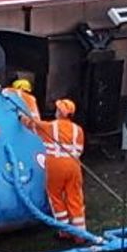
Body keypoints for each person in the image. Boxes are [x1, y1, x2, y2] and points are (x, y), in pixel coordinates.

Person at [29, 98, 86, 236]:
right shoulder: (78, 130)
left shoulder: (50, 127)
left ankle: (64, 230)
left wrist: (20, 116)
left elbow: (31, 124)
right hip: (74, 165)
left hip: (56, 164)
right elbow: (80, 150)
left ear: (60, 112)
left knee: (56, 196)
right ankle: (80, 234)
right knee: (75, 196)